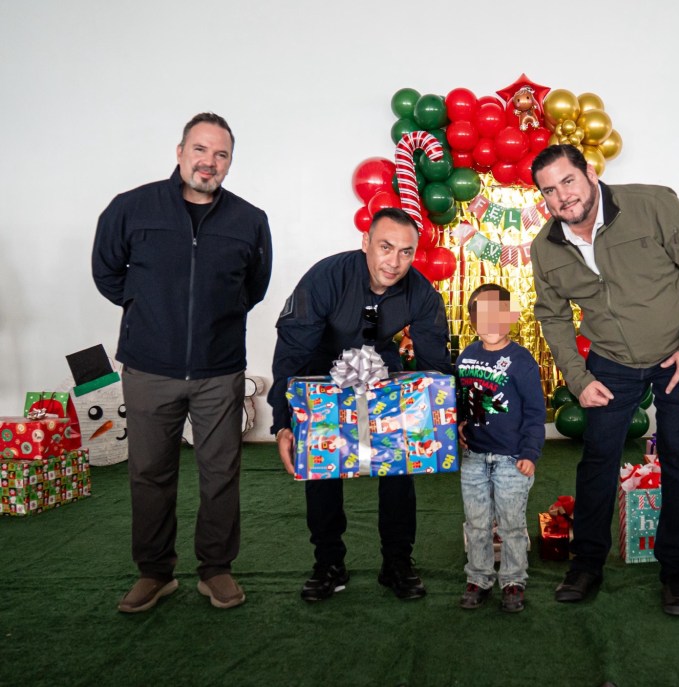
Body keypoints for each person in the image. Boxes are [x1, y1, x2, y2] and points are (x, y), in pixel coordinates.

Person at [530, 145, 679, 616]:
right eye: (549, 190)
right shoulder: (546, 247)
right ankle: (587, 563)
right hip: (611, 359)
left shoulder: (652, 204)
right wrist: (578, 379)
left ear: (590, 173)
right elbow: (552, 316)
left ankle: (676, 570)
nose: (562, 197)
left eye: (568, 181)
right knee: (597, 459)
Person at [92, 112, 273, 613]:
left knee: (221, 472)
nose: (209, 162)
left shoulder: (249, 220)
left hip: (219, 370)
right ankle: (155, 572)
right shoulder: (132, 208)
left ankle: (215, 569)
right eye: (200, 150)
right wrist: (147, 310)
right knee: (149, 473)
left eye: (221, 154)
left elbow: (253, 288)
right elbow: (107, 272)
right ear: (180, 152)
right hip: (150, 368)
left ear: (230, 162)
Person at [268, 207, 452, 602]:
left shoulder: (420, 291)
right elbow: (291, 352)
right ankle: (329, 563)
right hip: (318, 370)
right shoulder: (326, 278)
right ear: (366, 242)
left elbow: (435, 364)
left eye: (406, 252)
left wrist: (445, 421)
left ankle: (398, 562)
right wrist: (284, 421)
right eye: (386, 247)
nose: (395, 261)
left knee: (401, 461)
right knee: (322, 468)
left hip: (382, 370)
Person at [456, 284, 546, 613]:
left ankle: (512, 580)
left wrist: (529, 453)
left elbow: (536, 413)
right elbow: (463, 403)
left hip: (512, 460)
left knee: (511, 523)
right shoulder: (466, 356)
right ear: (471, 319)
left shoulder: (521, 361)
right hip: (475, 459)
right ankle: (479, 577)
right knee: (477, 522)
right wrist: (460, 427)